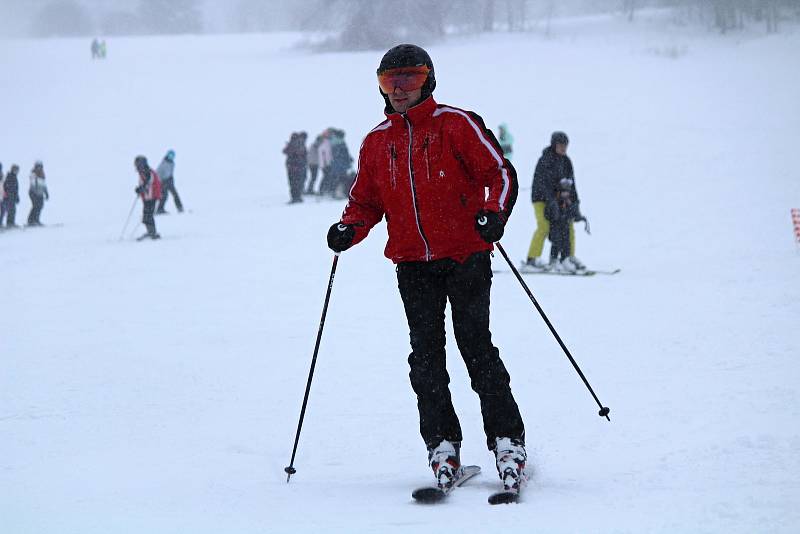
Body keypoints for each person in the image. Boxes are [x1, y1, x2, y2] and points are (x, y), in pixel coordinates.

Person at [326, 44, 527, 493]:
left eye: (409, 79)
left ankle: (507, 441)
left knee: (476, 347)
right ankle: (442, 445)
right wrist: (348, 228)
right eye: (389, 81)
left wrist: (493, 213)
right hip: (413, 263)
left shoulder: (456, 124)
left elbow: (501, 174)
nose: (399, 90)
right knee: (426, 358)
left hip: (465, 256)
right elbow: (365, 201)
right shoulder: (377, 141)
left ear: (427, 81)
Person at [523, 131, 585, 271]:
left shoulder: (566, 161)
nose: (563, 148)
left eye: (565, 145)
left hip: (558, 200)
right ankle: (531, 259)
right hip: (540, 199)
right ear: (554, 145)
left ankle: (569, 257)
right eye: (561, 145)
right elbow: (543, 183)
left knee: (569, 226)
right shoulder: (546, 159)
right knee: (544, 226)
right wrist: (550, 200)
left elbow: (571, 184)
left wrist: (575, 204)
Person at [134, 156, 161, 240]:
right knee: (146, 215)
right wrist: (139, 189)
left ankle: (153, 233)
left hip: (152, 197)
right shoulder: (142, 172)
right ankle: (150, 231)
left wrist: (142, 188)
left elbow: (148, 182)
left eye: (138, 164)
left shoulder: (148, 172)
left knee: (148, 215)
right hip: (147, 197)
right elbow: (144, 183)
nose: (137, 166)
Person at [156, 150, 183, 214]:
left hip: (169, 181)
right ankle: (160, 209)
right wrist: (160, 183)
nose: (171, 157)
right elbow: (157, 174)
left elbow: (171, 172)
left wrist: (171, 178)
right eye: (170, 155)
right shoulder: (163, 164)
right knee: (164, 196)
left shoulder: (172, 163)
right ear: (167, 155)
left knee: (175, 194)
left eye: (172, 156)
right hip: (163, 182)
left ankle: (180, 207)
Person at [283, 132, 307, 204]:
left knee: (293, 183)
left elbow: (285, 151)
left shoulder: (292, 145)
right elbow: (303, 155)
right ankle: (298, 197)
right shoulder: (300, 145)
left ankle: (294, 197)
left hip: (292, 167)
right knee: (298, 182)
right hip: (299, 167)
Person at [329, 129, 353, 198]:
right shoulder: (340, 143)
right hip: (341, 165)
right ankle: (338, 193)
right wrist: (348, 160)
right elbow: (344, 154)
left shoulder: (334, 143)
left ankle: (336, 192)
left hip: (337, 165)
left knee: (338, 179)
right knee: (342, 179)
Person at [27, 160, 49, 226]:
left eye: (40, 166)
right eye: (38, 166)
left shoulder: (42, 174)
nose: (39, 168)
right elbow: (33, 183)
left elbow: (44, 185)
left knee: (40, 206)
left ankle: (36, 220)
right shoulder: (33, 173)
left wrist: (46, 193)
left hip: (40, 193)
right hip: (33, 192)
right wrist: (35, 191)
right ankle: (31, 220)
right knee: (36, 206)